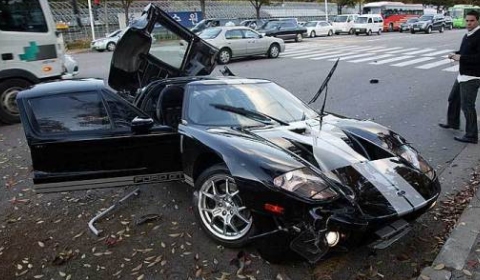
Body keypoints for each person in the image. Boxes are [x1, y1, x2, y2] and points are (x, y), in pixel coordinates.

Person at [439, 10, 480, 144]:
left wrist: (461, 57)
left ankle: (471, 135)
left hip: (472, 76)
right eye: (467, 20)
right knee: (453, 98)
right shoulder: (468, 34)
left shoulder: (478, 35)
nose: (469, 23)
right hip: (463, 74)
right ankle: (453, 123)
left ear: (477, 20)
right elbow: (464, 52)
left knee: (467, 105)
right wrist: (454, 54)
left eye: (472, 20)